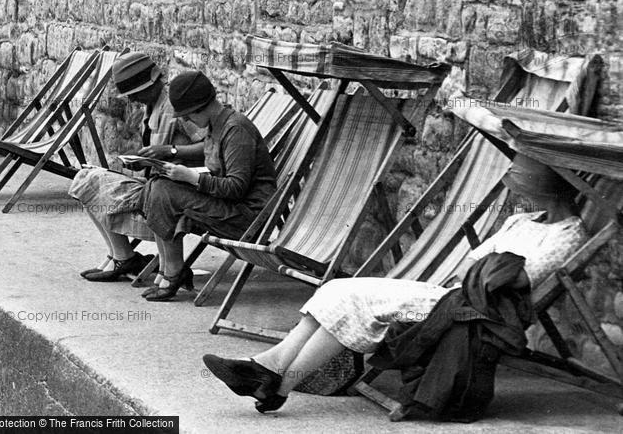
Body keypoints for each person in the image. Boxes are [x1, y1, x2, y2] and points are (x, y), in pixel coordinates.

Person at [202, 154, 590, 413]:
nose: (512, 176)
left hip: (471, 311)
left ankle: (272, 380)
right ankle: (269, 375)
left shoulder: (568, 235)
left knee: (353, 298)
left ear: (548, 184)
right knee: (339, 289)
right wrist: (488, 268)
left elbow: (511, 281)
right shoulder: (521, 221)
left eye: (522, 172)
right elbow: (476, 267)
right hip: (454, 294)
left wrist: (487, 269)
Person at [138, 70, 277, 301]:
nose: (185, 121)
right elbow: (218, 172)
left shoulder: (236, 130)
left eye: (187, 116)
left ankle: (174, 272)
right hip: (229, 206)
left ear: (200, 108)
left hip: (247, 217)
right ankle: (167, 270)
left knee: (164, 191)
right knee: (157, 184)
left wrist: (191, 178)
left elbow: (235, 188)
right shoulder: (215, 127)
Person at [69, 52, 207, 283]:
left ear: (151, 84)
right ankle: (121, 255)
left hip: (175, 189)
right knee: (86, 177)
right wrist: (141, 159)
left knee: (97, 186)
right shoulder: (153, 106)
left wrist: (172, 151)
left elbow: (211, 146)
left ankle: (127, 259)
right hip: (155, 181)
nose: (133, 100)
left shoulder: (176, 106)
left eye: (135, 94)